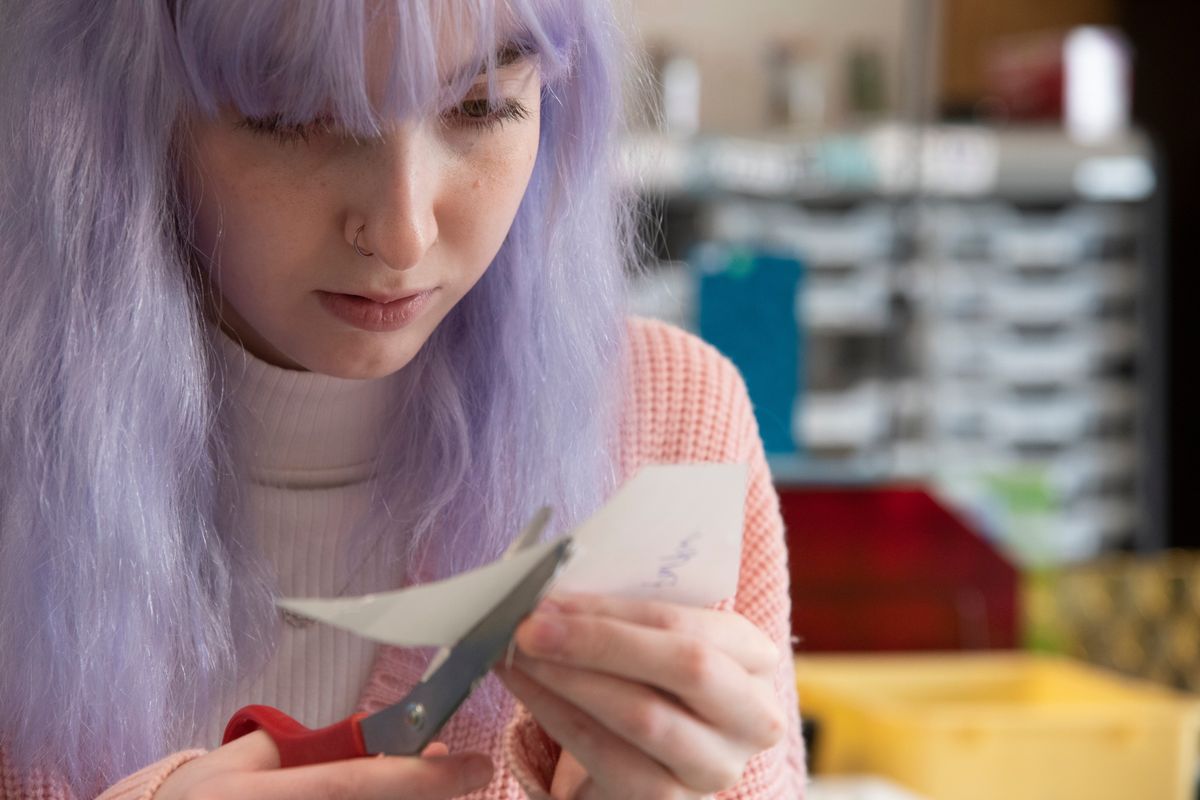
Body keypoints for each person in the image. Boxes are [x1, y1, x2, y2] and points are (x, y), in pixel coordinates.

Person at [0, 0, 806, 798]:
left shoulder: (666, 420)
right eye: (294, 116)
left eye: (482, 105)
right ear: (121, 105)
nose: (402, 234)